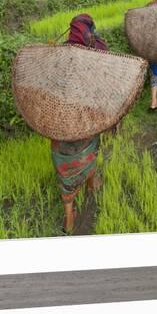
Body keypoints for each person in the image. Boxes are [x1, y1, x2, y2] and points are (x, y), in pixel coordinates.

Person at [51, 14, 107, 233]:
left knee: (64, 164)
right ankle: (91, 183)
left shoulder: (58, 55)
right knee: (89, 150)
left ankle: (69, 216)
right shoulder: (97, 51)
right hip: (87, 119)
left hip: (60, 121)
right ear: (89, 30)